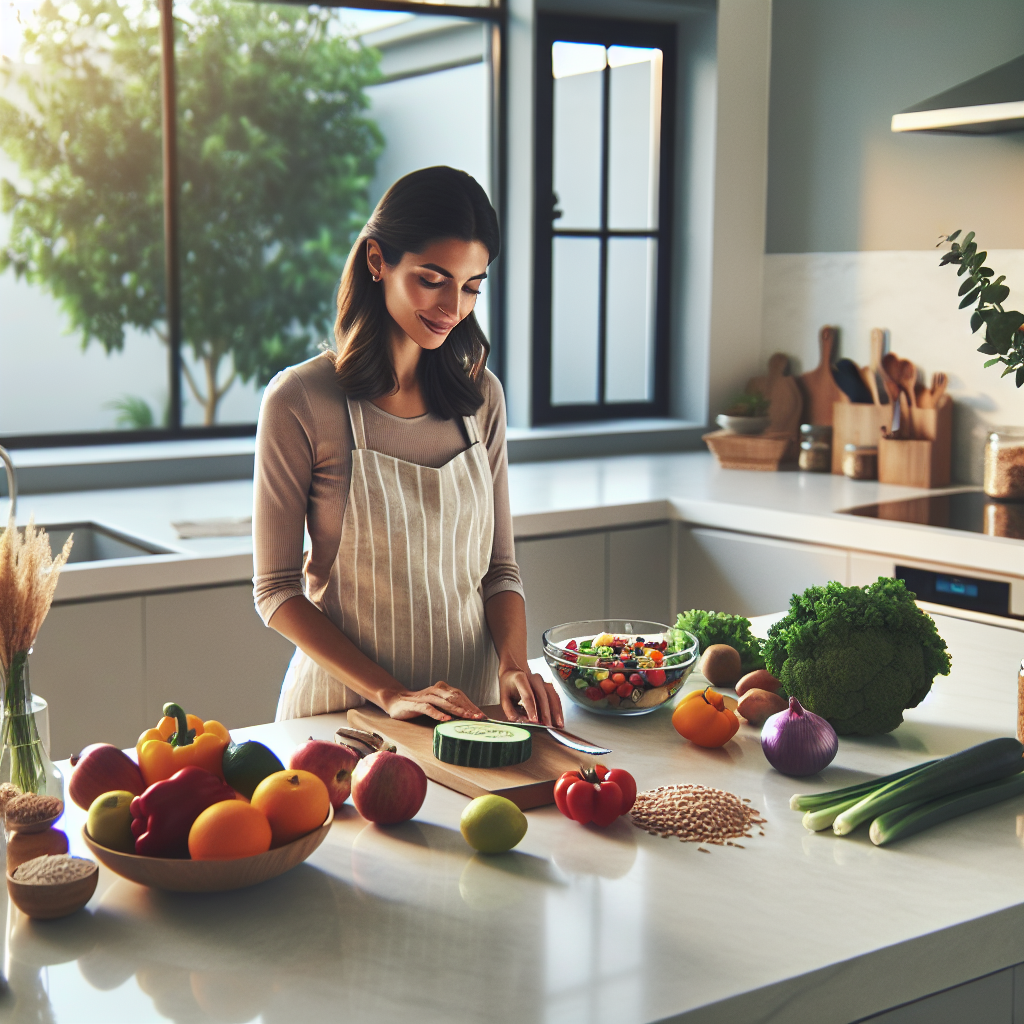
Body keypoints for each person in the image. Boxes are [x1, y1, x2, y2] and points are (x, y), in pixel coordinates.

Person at [253, 166, 563, 728]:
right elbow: (276, 592)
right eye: (432, 279)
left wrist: (513, 666)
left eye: (471, 286)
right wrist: (391, 693)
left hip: (468, 717)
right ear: (377, 262)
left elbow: (499, 569)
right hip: (342, 716)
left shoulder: (481, 398)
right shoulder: (300, 400)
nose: (454, 307)